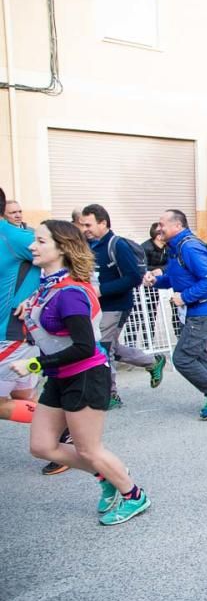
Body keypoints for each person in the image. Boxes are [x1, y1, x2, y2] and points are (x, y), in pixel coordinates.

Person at [13, 220, 150, 525]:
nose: (32, 246)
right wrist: (29, 307)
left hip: (85, 374)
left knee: (88, 448)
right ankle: (107, 475)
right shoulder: (47, 286)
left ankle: (133, 494)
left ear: (62, 248)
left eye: (41, 241)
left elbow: (85, 347)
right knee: (42, 446)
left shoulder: (70, 291)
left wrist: (33, 364)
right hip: (61, 375)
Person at [144, 209, 207, 420]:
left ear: (177, 226)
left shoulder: (189, 247)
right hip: (195, 311)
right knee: (196, 355)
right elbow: (178, 277)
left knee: (183, 358)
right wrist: (156, 281)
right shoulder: (176, 248)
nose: (159, 228)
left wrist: (185, 297)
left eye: (162, 224)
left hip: (203, 310)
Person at [80, 204, 166, 407]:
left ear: (103, 223)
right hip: (96, 306)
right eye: (82, 225)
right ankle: (152, 362)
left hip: (116, 306)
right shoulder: (89, 245)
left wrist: (102, 290)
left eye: (88, 225)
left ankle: (110, 395)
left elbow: (133, 278)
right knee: (109, 346)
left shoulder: (117, 245)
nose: (85, 229)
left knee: (103, 348)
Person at [0, 187, 42, 432]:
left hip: (12, 333)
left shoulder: (13, 236)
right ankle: (63, 437)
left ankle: (70, 430)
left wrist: (35, 296)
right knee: (25, 396)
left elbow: (70, 255)